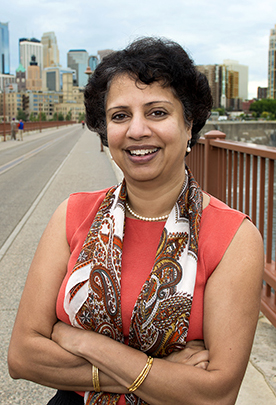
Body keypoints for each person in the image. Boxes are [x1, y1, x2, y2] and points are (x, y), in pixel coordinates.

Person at [8, 37, 264, 405]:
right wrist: (160, 374)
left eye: (157, 112)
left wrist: (83, 341)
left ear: (189, 124)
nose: (137, 130)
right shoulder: (73, 214)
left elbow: (215, 395)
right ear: (104, 130)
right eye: (120, 115)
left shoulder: (232, 237)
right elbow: (22, 357)